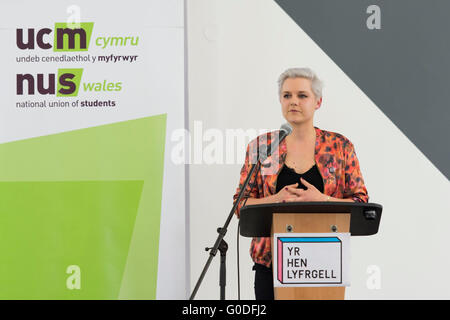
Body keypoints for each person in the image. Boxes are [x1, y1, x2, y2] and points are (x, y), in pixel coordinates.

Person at [232, 67, 369, 300]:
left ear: (318, 102)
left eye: (302, 95)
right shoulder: (264, 146)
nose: (293, 101)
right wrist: (275, 200)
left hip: (325, 267)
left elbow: (361, 202)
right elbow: (240, 205)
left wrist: (322, 199)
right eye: (287, 95)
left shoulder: (340, 147)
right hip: (270, 267)